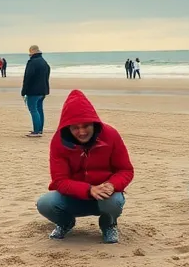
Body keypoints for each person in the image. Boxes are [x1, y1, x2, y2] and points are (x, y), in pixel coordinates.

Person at [37, 90, 133, 244]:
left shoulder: (110, 135)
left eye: (86, 125)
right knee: (45, 203)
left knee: (114, 201)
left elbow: (125, 170)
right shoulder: (58, 141)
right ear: (67, 127)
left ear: (94, 123)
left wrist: (112, 185)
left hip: (105, 195)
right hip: (74, 196)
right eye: (75, 127)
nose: (81, 132)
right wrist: (89, 190)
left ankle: (108, 224)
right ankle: (65, 223)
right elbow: (59, 181)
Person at [21, 45, 51, 137]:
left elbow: (27, 77)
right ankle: (39, 129)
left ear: (32, 52)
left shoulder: (32, 62)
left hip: (33, 91)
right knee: (39, 110)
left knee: (33, 110)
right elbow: (47, 77)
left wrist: (23, 91)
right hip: (43, 90)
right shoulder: (44, 62)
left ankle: (36, 131)